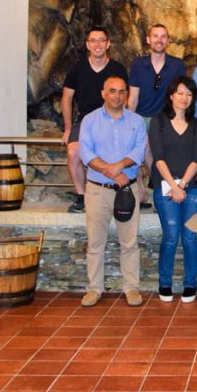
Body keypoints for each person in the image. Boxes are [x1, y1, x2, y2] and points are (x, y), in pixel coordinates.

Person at [77, 76, 147, 308]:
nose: (117, 96)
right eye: (112, 91)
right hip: (98, 190)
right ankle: (94, 288)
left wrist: (119, 166)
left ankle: (131, 287)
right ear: (103, 93)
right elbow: (85, 153)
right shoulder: (89, 120)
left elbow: (139, 151)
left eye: (121, 92)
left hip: (128, 190)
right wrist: (111, 170)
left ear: (127, 94)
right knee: (96, 242)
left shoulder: (137, 121)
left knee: (129, 242)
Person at [61, 27, 128, 214]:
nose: (97, 44)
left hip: (112, 118)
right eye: (93, 41)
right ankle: (82, 196)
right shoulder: (78, 68)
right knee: (73, 152)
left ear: (108, 44)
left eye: (101, 40)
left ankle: (131, 193)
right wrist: (67, 128)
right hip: (85, 120)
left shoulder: (117, 69)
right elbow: (66, 98)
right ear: (88, 45)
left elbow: (125, 97)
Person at [149, 76, 197, 304]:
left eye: (189, 94)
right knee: (170, 236)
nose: (184, 98)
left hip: (191, 187)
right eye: (180, 93)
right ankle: (165, 283)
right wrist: (173, 185)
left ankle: (191, 283)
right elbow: (158, 157)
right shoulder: (158, 121)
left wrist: (182, 185)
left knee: (190, 237)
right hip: (165, 187)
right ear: (171, 95)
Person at [128, 23, 187, 208]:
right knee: (140, 152)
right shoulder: (138, 65)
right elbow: (133, 96)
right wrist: (129, 122)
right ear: (148, 39)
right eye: (155, 36)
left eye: (163, 36)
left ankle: (161, 194)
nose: (159, 40)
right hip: (142, 117)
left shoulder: (176, 65)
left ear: (168, 41)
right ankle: (141, 194)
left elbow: (180, 94)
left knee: (161, 156)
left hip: (166, 118)